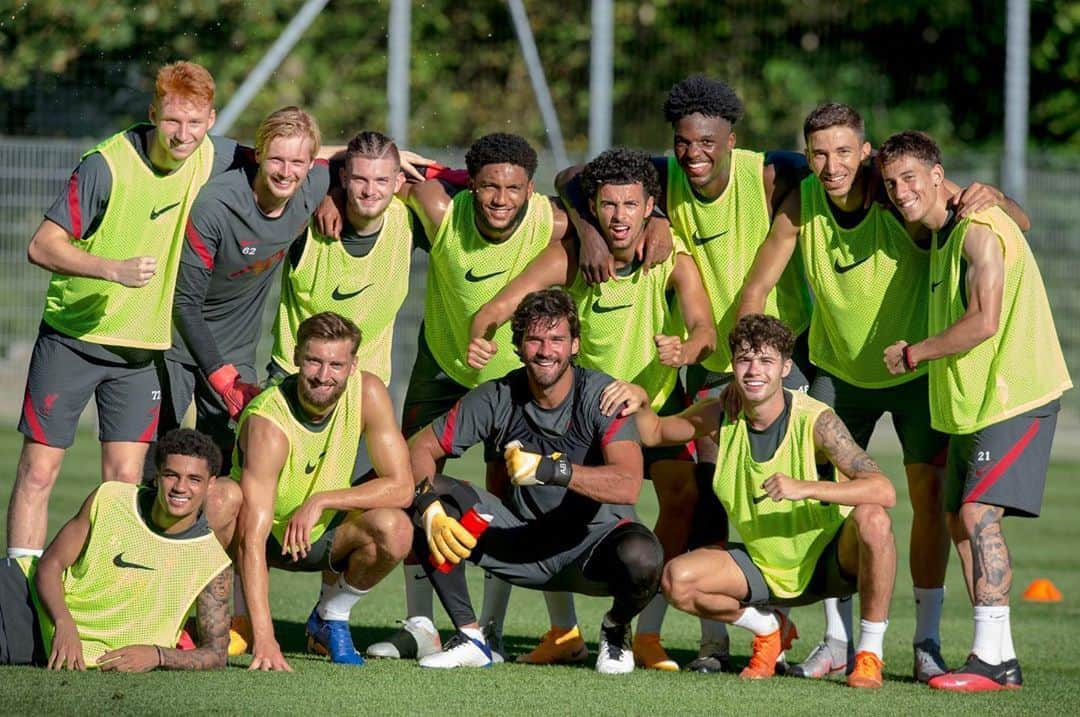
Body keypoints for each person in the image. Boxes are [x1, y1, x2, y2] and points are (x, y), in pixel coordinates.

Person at [736, 103, 1030, 682]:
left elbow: (1006, 224)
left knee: (930, 500)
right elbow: (757, 287)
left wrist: (997, 197)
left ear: (864, 152)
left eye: (844, 151)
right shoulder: (803, 205)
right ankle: (838, 640)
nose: (831, 164)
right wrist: (743, 361)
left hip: (917, 373)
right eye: (819, 152)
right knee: (829, 498)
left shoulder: (901, 199)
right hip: (838, 375)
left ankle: (925, 641)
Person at [559, 75, 812, 672]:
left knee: (786, 499)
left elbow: (855, 167)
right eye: (682, 142)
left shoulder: (771, 173)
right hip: (701, 371)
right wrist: (593, 231)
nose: (692, 154)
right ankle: (708, 641)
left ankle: (825, 638)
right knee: (706, 501)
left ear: (731, 138)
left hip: (771, 361)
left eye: (706, 142)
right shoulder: (658, 178)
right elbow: (569, 178)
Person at [469, 147, 715, 671]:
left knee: (683, 494)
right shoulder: (573, 256)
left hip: (651, 406)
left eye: (631, 204)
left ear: (652, 207)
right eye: (608, 205)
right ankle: (562, 629)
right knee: (539, 491)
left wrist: (685, 350)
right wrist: (480, 334)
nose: (620, 216)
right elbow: (503, 303)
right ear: (595, 208)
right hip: (583, 413)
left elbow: (706, 331)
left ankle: (642, 633)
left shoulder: (672, 259)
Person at [7, 61, 245, 559]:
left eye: (196, 123)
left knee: (123, 485)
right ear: (153, 112)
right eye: (173, 121)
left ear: (212, 121)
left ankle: (101, 586)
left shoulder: (208, 156)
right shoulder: (106, 165)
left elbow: (283, 156)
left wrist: (366, 163)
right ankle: (19, 592)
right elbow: (42, 245)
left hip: (139, 358)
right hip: (72, 340)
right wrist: (111, 269)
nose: (184, 135)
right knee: (39, 471)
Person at [366, 133, 576, 662]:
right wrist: (329, 192)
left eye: (512, 188)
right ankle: (421, 625)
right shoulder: (438, 207)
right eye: (487, 187)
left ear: (530, 190)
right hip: (441, 364)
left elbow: (601, 209)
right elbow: (366, 173)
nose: (500, 199)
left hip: (513, 381)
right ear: (469, 186)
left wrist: (622, 233)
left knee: (512, 494)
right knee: (413, 482)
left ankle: (492, 628)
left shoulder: (551, 222)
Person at [603, 313, 897, 688]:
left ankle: (870, 655)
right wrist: (640, 399)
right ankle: (768, 628)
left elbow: (883, 489)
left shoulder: (817, 420)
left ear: (786, 368)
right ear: (734, 365)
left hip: (826, 562)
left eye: (766, 361)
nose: (754, 370)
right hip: (760, 566)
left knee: (874, 519)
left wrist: (804, 487)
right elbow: (657, 432)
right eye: (744, 359)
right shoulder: (721, 412)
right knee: (677, 580)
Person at [879, 131, 1070, 692]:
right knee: (958, 524)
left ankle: (987, 660)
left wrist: (915, 352)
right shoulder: (949, 229)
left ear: (938, 175)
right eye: (891, 184)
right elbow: (1024, 221)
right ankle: (1001, 659)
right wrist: (1005, 199)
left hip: (1015, 395)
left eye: (910, 179)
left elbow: (985, 320)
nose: (900, 192)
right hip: (974, 402)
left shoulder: (977, 231)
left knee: (977, 515)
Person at [407, 289, 663, 673]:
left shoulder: (602, 395)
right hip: (520, 543)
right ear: (519, 345)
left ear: (575, 344)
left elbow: (628, 483)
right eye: (534, 339)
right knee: (431, 498)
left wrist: (549, 469)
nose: (546, 350)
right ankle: (472, 636)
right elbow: (419, 449)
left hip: (591, 549)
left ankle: (614, 629)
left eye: (557, 339)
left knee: (644, 557)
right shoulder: (496, 395)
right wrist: (429, 508)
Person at [232, 312, 414, 671]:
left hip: (322, 534)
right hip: (265, 539)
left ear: (352, 365)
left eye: (335, 364)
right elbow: (249, 540)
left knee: (396, 528)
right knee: (222, 500)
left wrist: (322, 500)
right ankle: (233, 622)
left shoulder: (369, 392)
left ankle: (331, 616)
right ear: (297, 356)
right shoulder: (269, 422)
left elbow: (402, 486)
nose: (322, 375)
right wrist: (266, 639)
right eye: (314, 361)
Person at [164, 105, 332, 465]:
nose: (286, 173)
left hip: (236, 349)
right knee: (159, 462)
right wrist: (223, 380)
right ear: (258, 155)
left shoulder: (314, 186)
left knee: (230, 465)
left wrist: (333, 199)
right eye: (277, 160)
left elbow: (357, 164)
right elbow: (184, 304)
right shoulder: (216, 205)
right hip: (172, 340)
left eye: (297, 163)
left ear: (310, 164)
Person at [0, 428, 234, 671]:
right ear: (156, 476)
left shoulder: (213, 562)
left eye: (194, 479)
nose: (181, 487)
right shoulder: (111, 498)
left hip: (51, 650)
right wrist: (64, 622)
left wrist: (158, 656)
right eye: (171, 475)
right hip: (23, 599)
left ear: (210, 485)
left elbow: (216, 654)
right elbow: (50, 564)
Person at [268, 130, 415, 385]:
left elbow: (481, 178)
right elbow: (277, 159)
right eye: (360, 179)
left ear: (398, 181)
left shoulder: (410, 222)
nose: (370, 190)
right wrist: (329, 192)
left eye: (381, 180)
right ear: (343, 178)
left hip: (366, 387)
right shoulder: (306, 220)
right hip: (295, 379)